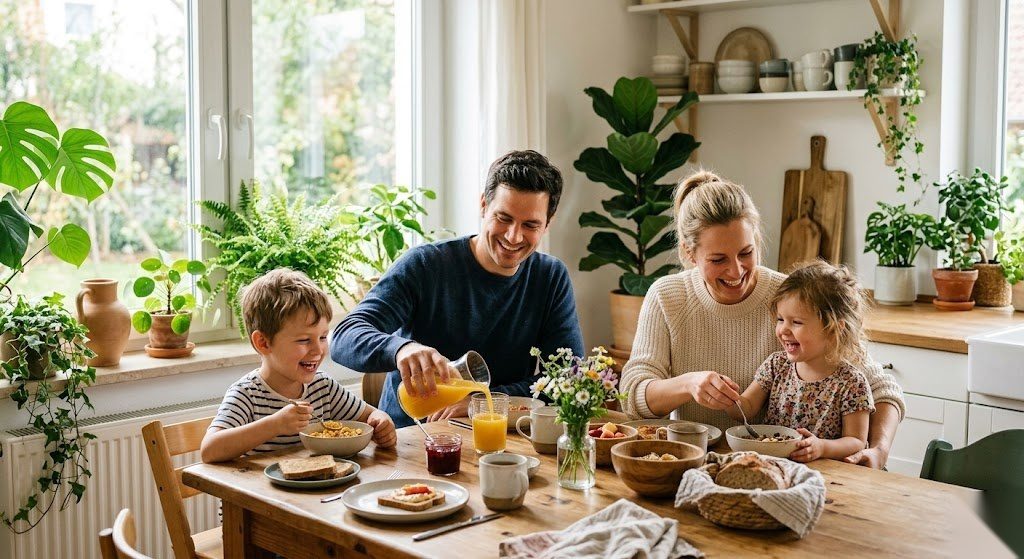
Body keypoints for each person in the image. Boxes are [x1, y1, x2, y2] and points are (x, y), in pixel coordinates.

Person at [620, 170, 905, 469]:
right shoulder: (667, 297)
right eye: (718, 260)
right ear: (690, 254)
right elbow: (632, 395)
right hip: (703, 466)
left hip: (789, 470)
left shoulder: (790, 300)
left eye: (746, 252)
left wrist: (879, 450)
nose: (736, 271)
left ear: (756, 239)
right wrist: (689, 384)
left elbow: (881, 386)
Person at [331, 150, 584, 428]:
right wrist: (401, 349)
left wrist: (483, 403)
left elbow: (567, 379)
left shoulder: (549, 277)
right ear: (484, 205)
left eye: (530, 225)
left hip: (499, 437)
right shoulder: (425, 264)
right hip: (412, 436)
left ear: (548, 223)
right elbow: (344, 338)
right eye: (504, 218)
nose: (514, 236)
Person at [201, 269, 396, 462]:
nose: (318, 350)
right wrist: (275, 425)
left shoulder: (323, 388)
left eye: (322, 337)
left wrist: (381, 422)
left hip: (319, 491)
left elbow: (371, 415)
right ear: (263, 343)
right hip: (261, 492)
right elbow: (210, 450)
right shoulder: (247, 395)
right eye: (304, 340)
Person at [726, 261, 874, 462]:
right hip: (773, 466)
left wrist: (822, 447)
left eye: (796, 322)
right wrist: (725, 397)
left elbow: (856, 440)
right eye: (780, 319)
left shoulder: (852, 383)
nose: (783, 330)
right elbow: (747, 407)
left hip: (825, 474)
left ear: (833, 329)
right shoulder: (776, 365)